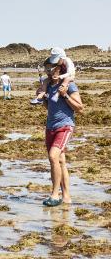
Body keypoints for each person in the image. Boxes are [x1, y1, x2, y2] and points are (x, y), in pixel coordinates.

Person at [42, 60, 84, 207]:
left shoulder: (69, 85)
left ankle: (54, 195)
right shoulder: (49, 86)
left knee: (53, 156)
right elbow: (49, 107)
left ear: (61, 69)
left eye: (53, 69)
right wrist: (43, 98)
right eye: (48, 70)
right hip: (50, 127)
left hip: (65, 126)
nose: (51, 72)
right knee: (60, 161)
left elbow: (80, 108)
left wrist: (65, 95)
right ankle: (66, 197)